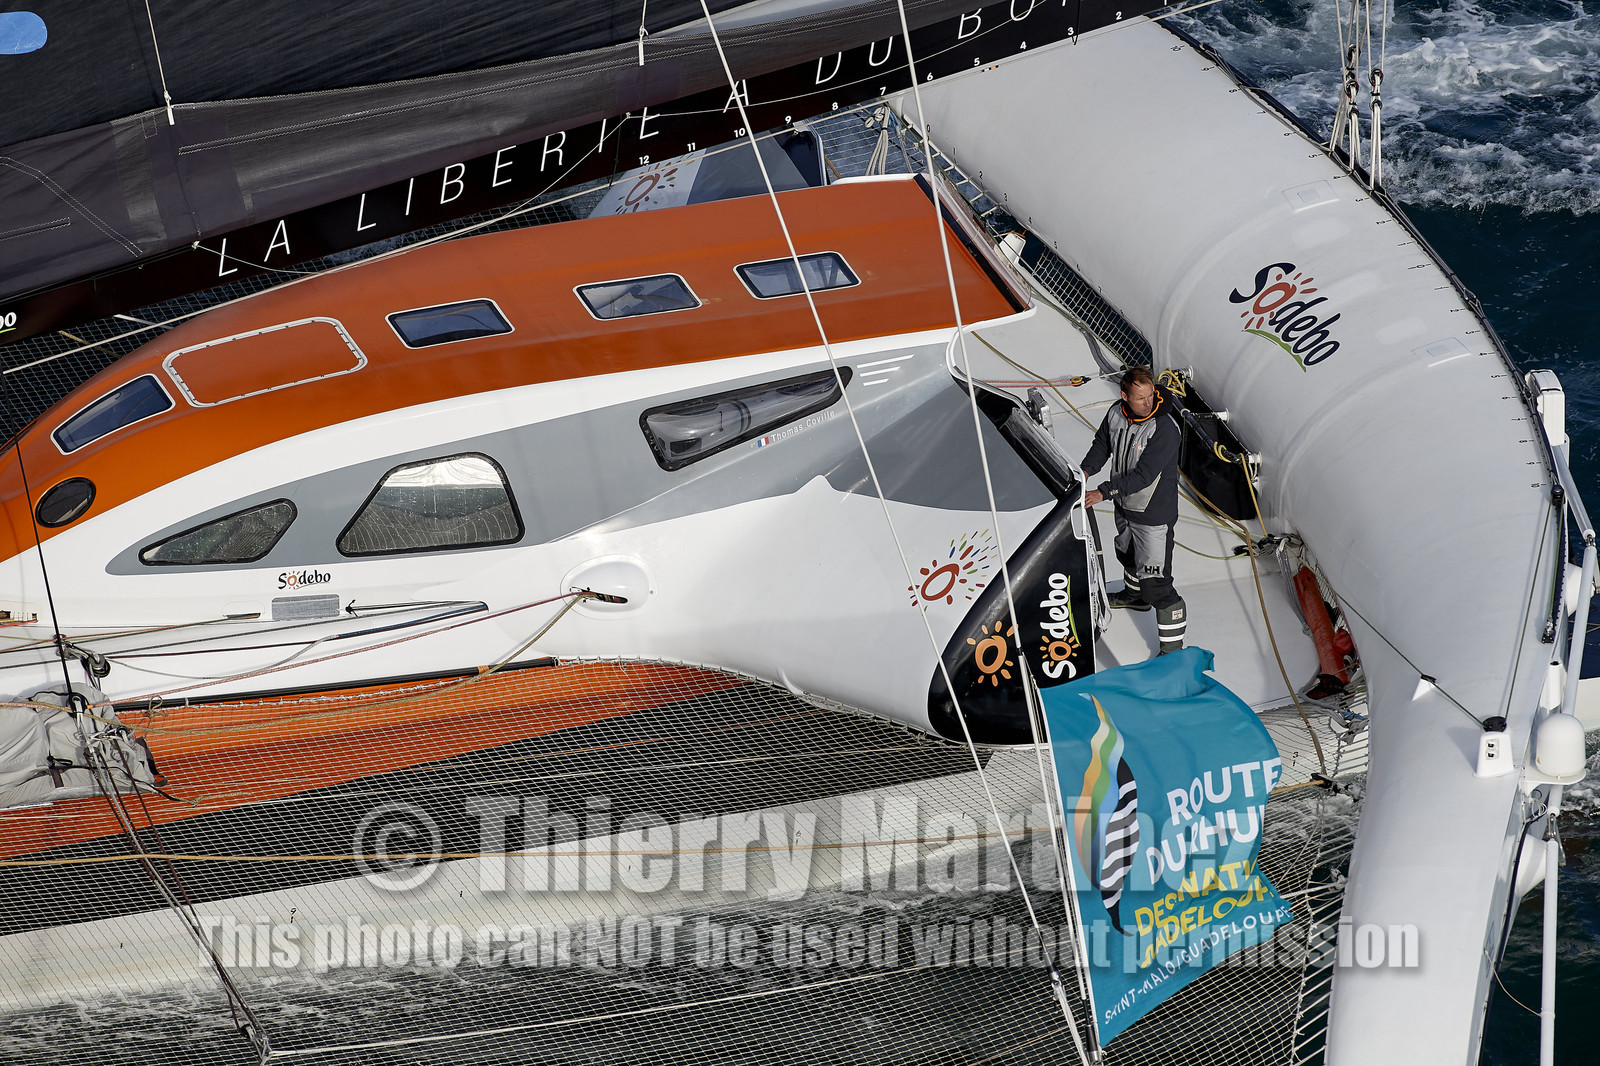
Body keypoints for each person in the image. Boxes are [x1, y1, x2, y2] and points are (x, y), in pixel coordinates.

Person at [1081, 366, 1187, 655]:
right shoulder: (1116, 413)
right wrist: (1085, 472)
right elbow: (1102, 444)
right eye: (1140, 398)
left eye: (1150, 396)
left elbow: (1144, 476)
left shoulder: (1164, 428)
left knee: (1157, 586)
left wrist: (1102, 492)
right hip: (1124, 506)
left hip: (1153, 516)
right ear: (1124, 395)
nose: (1147, 403)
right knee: (1127, 555)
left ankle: (1172, 651)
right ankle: (1134, 596)